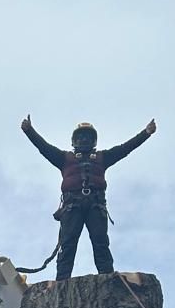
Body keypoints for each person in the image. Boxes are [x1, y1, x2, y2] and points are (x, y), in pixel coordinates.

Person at [21, 114, 157, 280]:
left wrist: (146, 133)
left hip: (96, 204)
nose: (84, 139)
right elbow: (44, 147)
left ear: (93, 140)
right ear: (74, 141)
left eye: (87, 137)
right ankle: (62, 283)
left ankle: (107, 279)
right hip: (72, 206)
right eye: (81, 137)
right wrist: (30, 131)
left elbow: (125, 148)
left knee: (100, 243)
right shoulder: (64, 158)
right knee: (68, 244)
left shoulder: (102, 157)